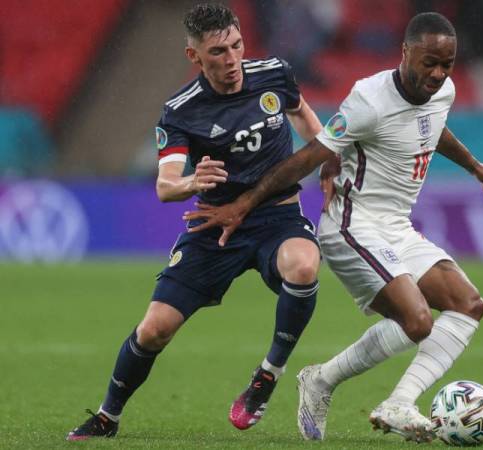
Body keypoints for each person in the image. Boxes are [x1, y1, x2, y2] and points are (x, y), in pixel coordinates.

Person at [183, 12, 483, 443]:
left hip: (397, 227)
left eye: (446, 64)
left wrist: (474, 166)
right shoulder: (369, 100)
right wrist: (242, 204)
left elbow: (433, 126)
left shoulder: (442, 90)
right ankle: (333, 386)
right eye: (429, 62)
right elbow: (310, 155)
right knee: (418, 320)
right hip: (352, 225)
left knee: (469, 305)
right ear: (405, 52)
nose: (438, 73)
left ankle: (374, 395)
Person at [66, 3, 323, 440]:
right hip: (213, 227)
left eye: (237, 46)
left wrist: (326, 154)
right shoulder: (182, 111)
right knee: (154, 330)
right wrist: (192, 182)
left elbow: (301, 114)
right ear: (195, 57)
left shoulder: (275, 73)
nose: (232, 61)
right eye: (219, 52)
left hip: (276, 216)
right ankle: (108, 416)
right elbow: (166, 186)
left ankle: (267, 375)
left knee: (303, 265)